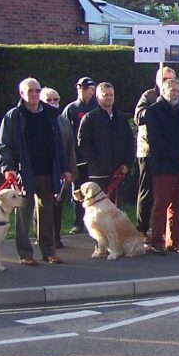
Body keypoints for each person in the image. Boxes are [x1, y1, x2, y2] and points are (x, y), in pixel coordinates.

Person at [0, 78, 71, 266]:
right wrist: (8, 168)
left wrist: (64, 168)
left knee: (47, 214)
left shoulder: (51, 115)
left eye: (37, 90)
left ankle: (48, 251)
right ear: (22, 94)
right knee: (23, 214)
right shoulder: (14, 116)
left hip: (48, 171)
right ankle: (25, 253)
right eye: (30, 91)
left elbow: (59, 146)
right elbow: (4, 145)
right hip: (24, 173)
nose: (35, 94)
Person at [145, 77, 179, 255]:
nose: (176, 94)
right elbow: (156, 141)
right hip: (164, 166)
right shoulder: (153, 111)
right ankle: (156, 241)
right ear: (164, 91)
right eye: (172, 90)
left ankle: (174, 240)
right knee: (161, 204)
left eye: (178, 91)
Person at [134, 66, 176, 241]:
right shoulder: (149, 95)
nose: (168, 82)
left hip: (168, 151)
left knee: (167, 192)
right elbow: (138, 117)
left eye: (171, 79)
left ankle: (165, 231)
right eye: (165, 79)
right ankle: (142, 229)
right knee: (147, 191)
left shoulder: (176, 97)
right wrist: (156, 106)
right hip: (148, 150)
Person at [77, 82, 134, 208]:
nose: (109, 97)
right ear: (97, 97)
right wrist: (96, 162)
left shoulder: (121, 118)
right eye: (105, 95)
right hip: (98, 174)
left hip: (118, 172)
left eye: (111, 95)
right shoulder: (90, 118)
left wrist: (127, 164)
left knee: (115, 210)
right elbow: (83, 142)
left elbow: (130, 142)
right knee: (98, 210)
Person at [40, 87, 77, 250]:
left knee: (58, 204)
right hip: (43, 170)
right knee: (42, 207)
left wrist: (71, 170)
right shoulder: (37, 120)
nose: (53, 103)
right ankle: (43, 238)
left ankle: (56, 237)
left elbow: (70, 149)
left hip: (61, 171)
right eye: (49, 100)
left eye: (56, 100)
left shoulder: (63, 121)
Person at [63, 76, 97, 235]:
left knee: (96, 190)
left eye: (85, 88)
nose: (81, 90)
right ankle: (78, 222)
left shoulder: (98, 108)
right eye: (79, 87)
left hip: (94, 158)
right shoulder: (71, 109)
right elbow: (64, 133)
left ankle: (96, 221)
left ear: (93, 90)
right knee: (77, 191)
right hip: (76, 158)